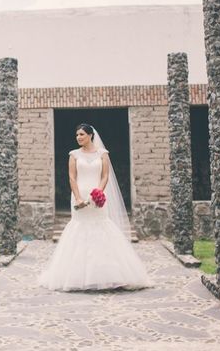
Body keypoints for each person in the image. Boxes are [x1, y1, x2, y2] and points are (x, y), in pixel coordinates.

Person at [38, 123, 151, 291]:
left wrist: (98, 192)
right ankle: (77, 277)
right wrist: (77, 198)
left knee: (101, 227)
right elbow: (72, 177)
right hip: (79, 194)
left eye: (82, 134)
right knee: (79, 229)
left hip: (98, 196)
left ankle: (108, 274)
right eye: (77, 135)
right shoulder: (74, 155)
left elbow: (105, 176)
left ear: (91, 135)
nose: (78, 138)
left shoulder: (103, 154)